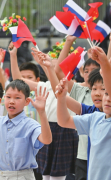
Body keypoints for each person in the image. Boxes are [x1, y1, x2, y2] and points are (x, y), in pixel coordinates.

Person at [10, 43, 78, 180]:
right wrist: (13, 56)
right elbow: (19, 80)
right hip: (47, 128)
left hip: (65, 130)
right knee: (45, 175)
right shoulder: (45, 86)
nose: (52, 67)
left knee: (58, 176)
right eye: (50, 64)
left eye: (55, 65)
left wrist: (69, 40)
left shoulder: (75, 88)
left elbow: (57, 74)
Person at [56, 46, 111, 180]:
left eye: (105, 90)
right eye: (106, 94)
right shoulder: (94, 118)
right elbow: (64, 121)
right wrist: (61, 98)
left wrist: (104, 62)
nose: (106, 97)